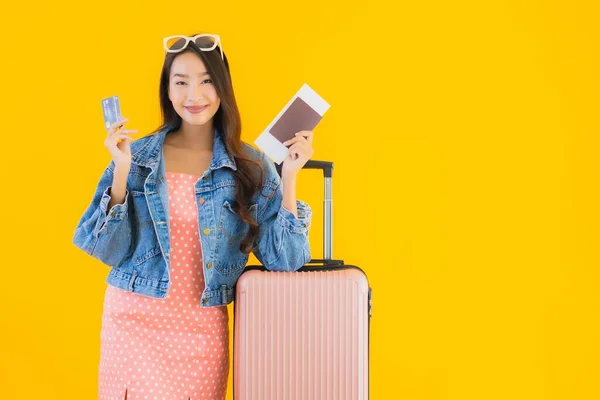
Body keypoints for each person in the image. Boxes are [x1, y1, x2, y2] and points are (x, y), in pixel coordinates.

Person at [72, 33, 314, 400]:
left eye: (205, 81)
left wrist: (290, 177)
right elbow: (106, 249)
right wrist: (121, 169)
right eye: (181, 82)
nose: (193, 95)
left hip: (201, 331)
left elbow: (288, 260)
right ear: (167, 91)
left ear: (221, 88)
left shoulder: (249, 166)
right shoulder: (137, 157)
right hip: (134, 326)